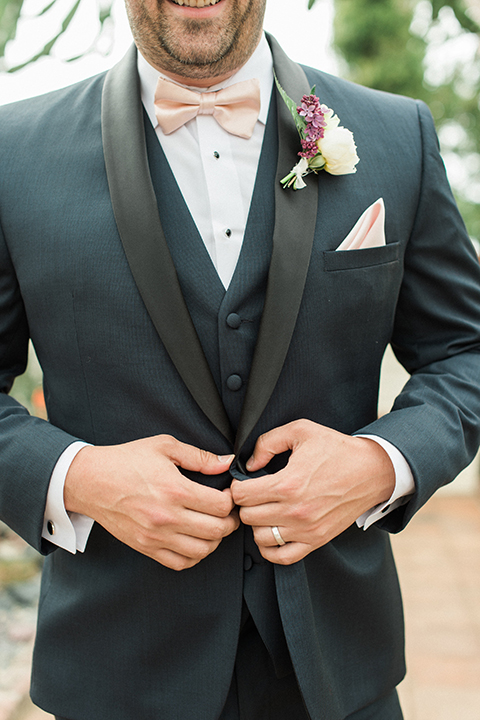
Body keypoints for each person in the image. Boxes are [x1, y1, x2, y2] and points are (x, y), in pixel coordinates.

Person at [1, 0, 480, 718]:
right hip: (115, 673)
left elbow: (465, 350)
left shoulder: (396, 133)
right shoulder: (12, 153)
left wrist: (380, 462)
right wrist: (80, 479)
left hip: (338, 674)